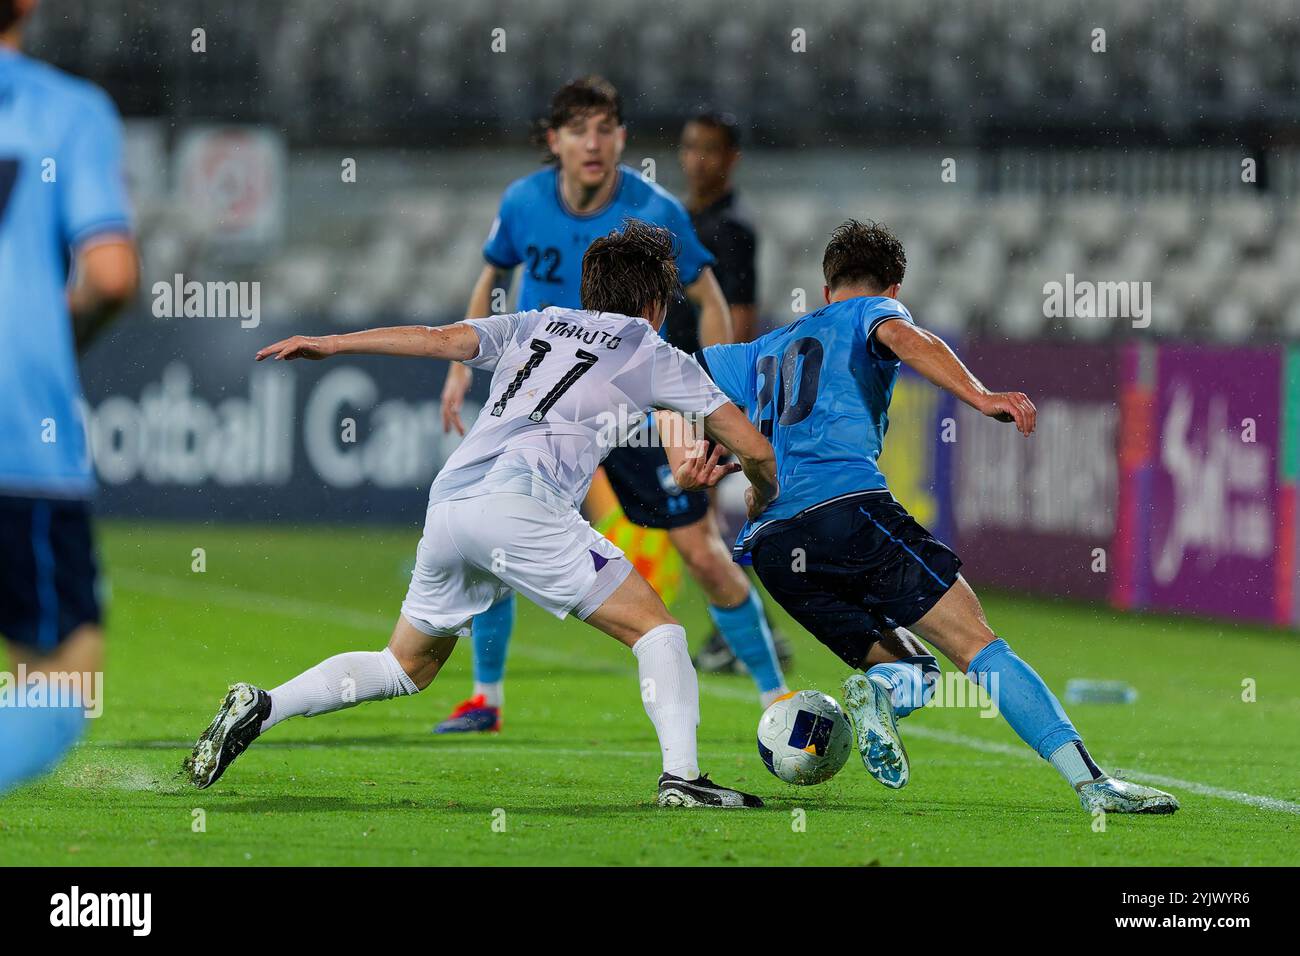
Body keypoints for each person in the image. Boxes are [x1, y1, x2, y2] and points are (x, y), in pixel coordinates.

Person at [183, 221, 777, 809]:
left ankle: (263, 706)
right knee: (660, 630)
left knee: (404, 666)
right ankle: (683, 779)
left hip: (451, 505)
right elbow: (754, 447)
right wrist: (758, 493)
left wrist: (333, 343)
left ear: (589, 290)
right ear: (654, 304)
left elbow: (435, 337)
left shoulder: (538, 322)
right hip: (522, 506)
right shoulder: (650, 348)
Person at [670, 219, 1179, 814]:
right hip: (850, 512)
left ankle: (881, 687)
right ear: (894, 286)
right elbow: (908, 339)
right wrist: (982, 396)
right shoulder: (873, 315)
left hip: (777, 551)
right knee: (979, 647)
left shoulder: (760, 349)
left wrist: (684, 460)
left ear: (826, 285)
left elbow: (669, 372)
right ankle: (1094, 785)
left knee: (914, 667)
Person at [434, 77, 786, 735]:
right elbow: (491, 280)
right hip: (544, 404)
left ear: (622, 138)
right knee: (490, 534)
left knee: (701, 549)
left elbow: (709, 301)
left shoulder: (656, 211)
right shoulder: (522, 202)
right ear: (554, 140)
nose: (593, 144)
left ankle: (775, 696)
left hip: (631, 399)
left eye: (606, 129)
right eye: (578, 130)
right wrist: (461, 369)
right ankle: (486, 699)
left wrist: (716, 391)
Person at [0, 0, 139, 795]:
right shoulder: (68, 110)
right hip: (19, 436)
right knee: (60, 685)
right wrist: (59, 341)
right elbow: (112, 275)